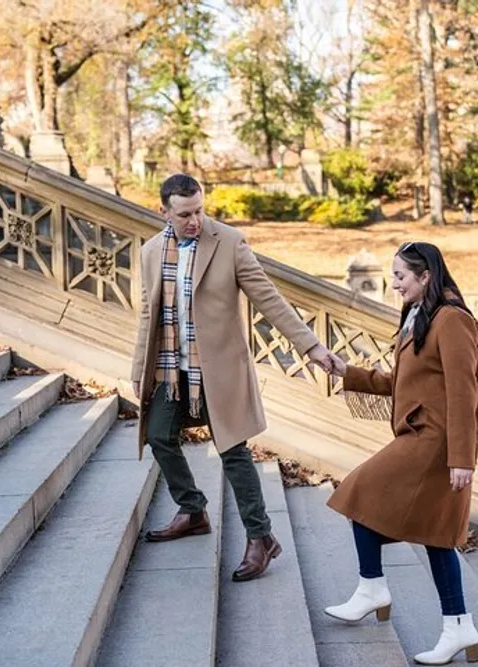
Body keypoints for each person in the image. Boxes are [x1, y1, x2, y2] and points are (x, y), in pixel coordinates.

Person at [131, 173, 338, 582]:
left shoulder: (229, 242)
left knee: (233, 452)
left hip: (219, 370)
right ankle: (192, 509)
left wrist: (311, 347)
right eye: (185, 214)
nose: (194, 221)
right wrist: (139, 368)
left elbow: (269, 299)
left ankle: (261, 538)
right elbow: (146, 314)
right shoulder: (151, 252)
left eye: (200, 211)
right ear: (164, 212)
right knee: (157, 436)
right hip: (171, 369)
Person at [322, 241, 478, 665]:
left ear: (425, 275)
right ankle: (458, 625)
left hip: (435, 442)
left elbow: (465, 392)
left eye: (400, 276)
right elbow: (407, 381)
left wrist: (462, 458)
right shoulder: (422, 316)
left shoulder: (452, 321)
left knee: (360, 491)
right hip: (419, 435)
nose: (394, 284)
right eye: (393, 276)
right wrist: (350, 373)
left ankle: (372, 587)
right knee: (435, 535)